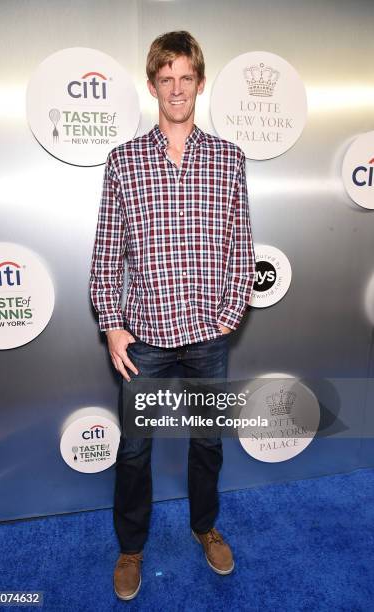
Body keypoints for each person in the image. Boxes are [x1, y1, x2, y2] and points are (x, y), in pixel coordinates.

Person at [90, 30, 256, 601]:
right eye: (167, 79)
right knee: (134, 448)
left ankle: (205, 527)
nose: (177, 89)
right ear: (154, 85)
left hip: (208, 334)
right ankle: (131, 547)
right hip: (145, 338)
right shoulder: (124, 161)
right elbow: (108, 249)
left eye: (187, 78)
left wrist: (231, 310)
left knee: (208, 441)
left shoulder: (229, 159)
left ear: (200, 83)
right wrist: (112, 322)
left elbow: (241, 244)